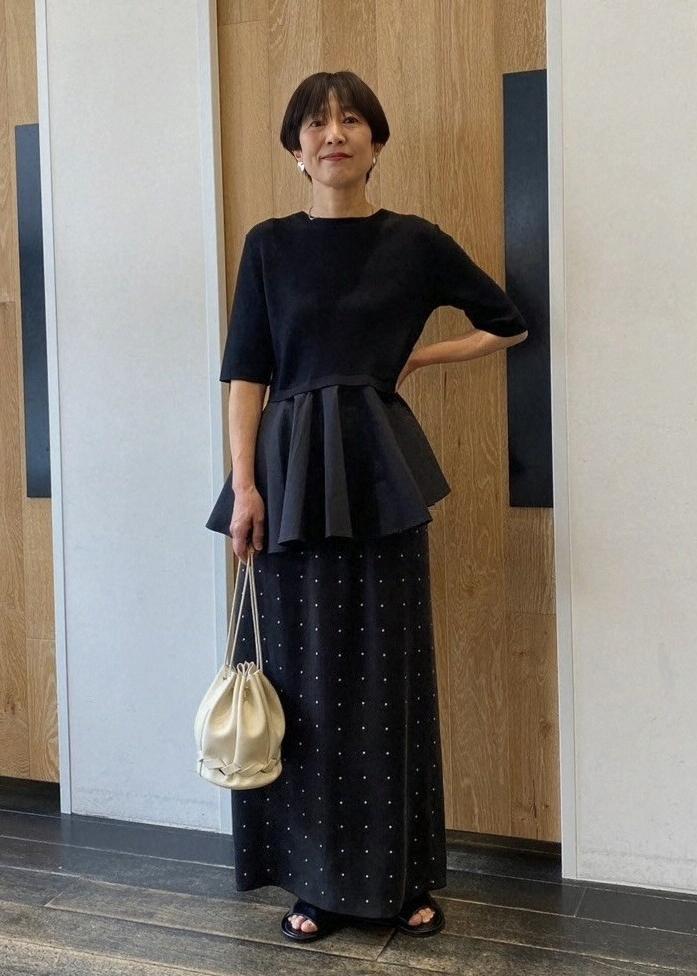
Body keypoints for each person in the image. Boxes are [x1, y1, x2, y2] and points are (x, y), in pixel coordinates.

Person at [205, 70, 528, 942]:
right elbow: (245, 373)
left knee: (389, 675)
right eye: (315, 124)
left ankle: (401, 877)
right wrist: (244, 484)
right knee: (300, 677)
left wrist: (417, 360)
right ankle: (312, 884)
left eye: (350, 120)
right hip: (286, 474)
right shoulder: (269, 245)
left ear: (376, 142)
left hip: (378, 468)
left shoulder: (413, 241)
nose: (333, 134)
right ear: (295, 149)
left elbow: (508, 323)